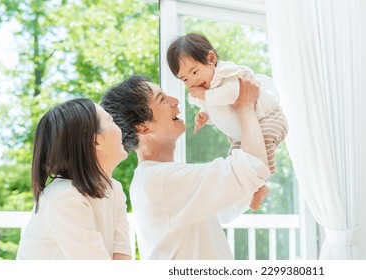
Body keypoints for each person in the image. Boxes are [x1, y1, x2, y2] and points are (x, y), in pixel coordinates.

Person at [100, 75, 270, 260]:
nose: (175, 101)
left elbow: (224, 206)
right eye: (162, 99)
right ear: (142, 127)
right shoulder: (159, 180)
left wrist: (249, 186)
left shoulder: (160, 178)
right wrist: (245, 106)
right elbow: (254, 166)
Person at [166, 32, 289, 210]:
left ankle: (261, 185)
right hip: (243, 133)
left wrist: (206, 96)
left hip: (268, 118)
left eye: (194, 71)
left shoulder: (226, 74)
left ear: (211, 58)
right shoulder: (207, 88)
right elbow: (217, 107)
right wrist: (205, 115)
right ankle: (249, 193)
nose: (192, 80)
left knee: (263, 142)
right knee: (236, 160)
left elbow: (234, 92)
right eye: (185, 79)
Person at [16, 98, 131, 260]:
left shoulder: (114, 190)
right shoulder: (64, 197)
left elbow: (122, 260)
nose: (120, 129)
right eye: (112, 121)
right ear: (96, 141)